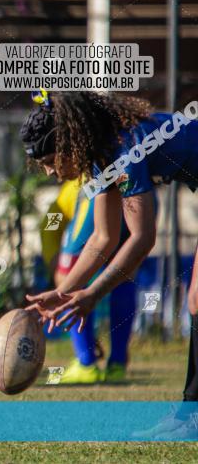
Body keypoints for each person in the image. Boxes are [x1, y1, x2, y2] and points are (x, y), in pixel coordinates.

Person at [22, 91, 198, 438]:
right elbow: (102, 239)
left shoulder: (124, 147)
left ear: (70, 141)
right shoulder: (102, 158)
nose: (49, 171)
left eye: (49, 159)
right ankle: (188, 413)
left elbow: (141, 239)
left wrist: (92, 294)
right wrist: (63, 291)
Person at [38, 176, 138, 384]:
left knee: (68, 278)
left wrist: (57, 264)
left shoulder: (73, 188)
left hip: (95, 197)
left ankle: (86, 363)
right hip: (139, 191)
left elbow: (48, 227)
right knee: (124, 275)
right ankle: (117, 363)